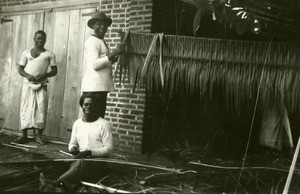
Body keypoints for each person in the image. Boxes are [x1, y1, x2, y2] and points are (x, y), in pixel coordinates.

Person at [39, 93, 113, 192]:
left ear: (97, 106)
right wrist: (73, 148)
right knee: (60, 164)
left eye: (92, 104)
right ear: (82, 105)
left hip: (98, 163)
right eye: (86, 104)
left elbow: (108, 149)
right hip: (80, 159)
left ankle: (56, 183)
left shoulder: (104, 124)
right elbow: (72, 143)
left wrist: (88, 152)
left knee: (80, 163)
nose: (88, 107)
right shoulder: (78, 123)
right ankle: (60, 187)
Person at [81, 11, 125, 118]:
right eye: (99, 24)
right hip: (93, 88)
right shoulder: (92, 41)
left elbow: (104, 61)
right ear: (93, 26)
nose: (102, 27)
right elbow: (95, 65)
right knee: (92, 119)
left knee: (98, 117)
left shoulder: (100, 41)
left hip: (99, 87)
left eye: (104, 24)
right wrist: (114, 52)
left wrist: (115, 57)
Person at [17, 30, 57, 144]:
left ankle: (39, 136)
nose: (40, 41)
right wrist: (28, 75)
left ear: (45, 40)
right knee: (25, 107)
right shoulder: (26, 53)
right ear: (34, 39)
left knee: (41, 108)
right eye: (38, 38)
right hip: (28, 85)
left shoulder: (49, 54)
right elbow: (20, 69)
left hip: (41, 84)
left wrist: (45, 74)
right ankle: (24, 135)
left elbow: (55, 70)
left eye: (43, 39)